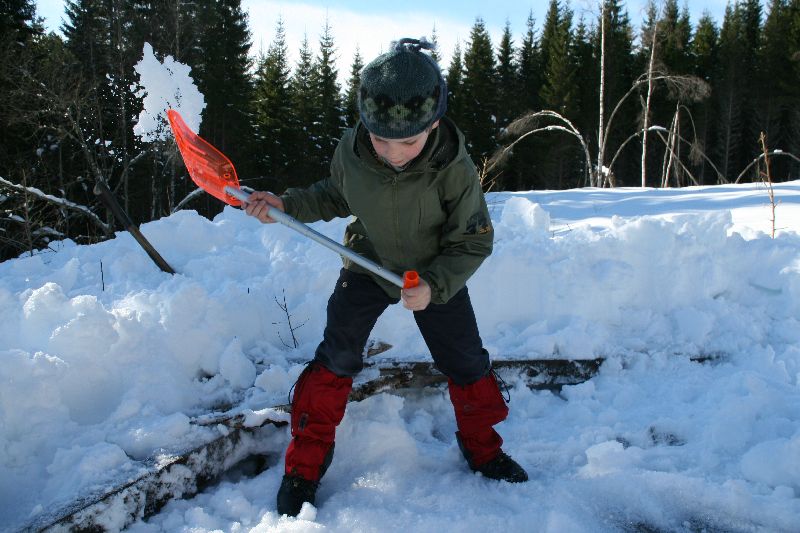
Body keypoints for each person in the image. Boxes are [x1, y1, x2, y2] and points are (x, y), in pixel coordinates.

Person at [244, 37, 528, 517]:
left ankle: (483, 448)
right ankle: (305, 463)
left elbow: (474, 240)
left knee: (464, 360)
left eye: (409, 142)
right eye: (380, 140)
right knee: (337, 355)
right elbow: (335, 194)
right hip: (368, 262)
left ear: (433, 124)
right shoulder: (353, 151)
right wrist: (287, 204)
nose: (393, 153)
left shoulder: (453, 168)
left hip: (433, 270)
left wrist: (435, 284)